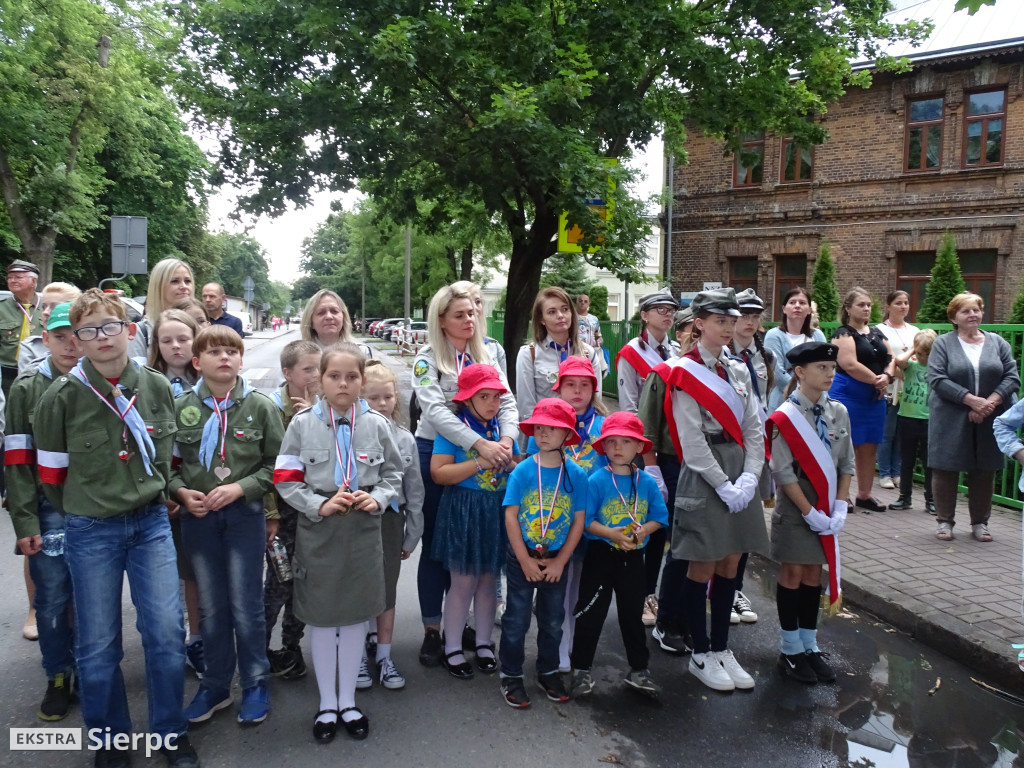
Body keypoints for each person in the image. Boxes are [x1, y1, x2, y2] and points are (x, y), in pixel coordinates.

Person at [34, 288, 198, 767]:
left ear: (128, 330)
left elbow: (167, 456)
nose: (101, 338)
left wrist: (167, 491)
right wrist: (91, 507)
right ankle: (111, 741)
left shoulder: (156, 387)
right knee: (98, 643)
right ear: (77, 341)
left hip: (150, 524)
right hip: (91, 530)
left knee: (167, 633)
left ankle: (170, 732)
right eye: (88, 331)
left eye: (110, 326)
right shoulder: (60, 398)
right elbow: (52, 477)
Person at [273, 343, 402, 743]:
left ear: (362, 381)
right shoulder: (301, 424)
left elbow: (394, 474)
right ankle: (327, 702)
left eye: (352, 377)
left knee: (352, 618)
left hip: (363, 533)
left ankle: (349, 701)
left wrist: (377, 497)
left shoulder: (378, 425)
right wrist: (317, 504)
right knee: (325, 621)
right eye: (334, 376)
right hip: (320, 533)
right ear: (320, 379)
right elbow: (286, 478)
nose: (343, 384)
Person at [171, 325, 283, 727]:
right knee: (212, 607)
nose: (224, 358)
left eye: (232, 351)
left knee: (247, 605)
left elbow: (279, 466)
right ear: (196, 361)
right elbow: (166, 467)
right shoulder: (180, 406)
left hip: (243, 518)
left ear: (241, 359)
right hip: (198, 518)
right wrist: (182, 492)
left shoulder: (260, 406)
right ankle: (216, 685)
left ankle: (254, 683)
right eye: (214, 352)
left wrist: (241, 487)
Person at [666, 288, 768, 693]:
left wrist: (749, 479)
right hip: (706, 474)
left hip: (740, 471)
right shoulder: (683, 371)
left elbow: (755, 429)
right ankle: (701, 652)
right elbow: (691, 441)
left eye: (731, 321)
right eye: (719, 321)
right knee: (703, 564)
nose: (727, 328)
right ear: (700, 324)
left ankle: (723, 647)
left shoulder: (740, 369)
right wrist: (724, 485)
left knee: (731, 562)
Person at [412, 284, 517, 667]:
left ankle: (472, 628)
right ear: (441, 320)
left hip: (492, 449)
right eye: (459, 315)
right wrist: (478, 445)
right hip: (439, 450)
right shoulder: (427, 358)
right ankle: (432, 629)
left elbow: (507, 401)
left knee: (482, 541)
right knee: (439, 543)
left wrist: (505, 439)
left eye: (472, 313)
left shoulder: (492, 351)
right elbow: (436, 412)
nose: (468, 320)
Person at [6, 302, 80, 721]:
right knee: (52, 599)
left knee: (91, 599)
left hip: (92, 508)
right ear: (46, 339)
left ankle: (90, 669)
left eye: (77, 334)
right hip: (48, 508)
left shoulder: (100, 381)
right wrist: (24, 521)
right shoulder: (27, 387)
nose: (70, 344)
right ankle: (57, 674)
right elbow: (17, 456)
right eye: (59, 336)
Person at [767, 342, 853, 685]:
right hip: (797, 506)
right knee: (792, 574)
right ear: (800, 372)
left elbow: (846, 463)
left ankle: (809, 644)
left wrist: (842, 504)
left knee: (813, 576)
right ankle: (790, 650)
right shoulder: (785, 416)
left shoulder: (839, 412)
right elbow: (783, 472)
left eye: (832, 368)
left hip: (828, 503)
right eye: (822, 368)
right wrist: (808, 511)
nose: (830, 374)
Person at [569, 411, 668, 699]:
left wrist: (641, 533)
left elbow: (658, 517)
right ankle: (581, 669)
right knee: (590, 613)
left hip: (633, 559)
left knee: (631, 616)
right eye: (611, 441)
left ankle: (639, 670)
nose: (618, 447)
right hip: (601, 554)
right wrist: (612, 534)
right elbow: (586, 521)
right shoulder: (596, 480)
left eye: (626, 441)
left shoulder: (647, 482)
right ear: (603, 446)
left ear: (639, 447)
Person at [499, 398, 587, 709]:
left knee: (552, 620)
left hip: (556, 558)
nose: (544, 433)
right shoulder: (523, 470)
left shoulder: (576, 475)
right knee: (517, 618)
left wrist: (562, 561)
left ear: (568, 435)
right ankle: (510, 674)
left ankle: (548, 671)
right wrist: (523, 559)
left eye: (553, 428)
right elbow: (510, 515)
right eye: (539, 427)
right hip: (521, 556)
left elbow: (579, 520)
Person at [431, 364, 517, 680]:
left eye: (496, 396)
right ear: (467, 399)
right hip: (464, 511)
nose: (493, 403)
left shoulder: (502, 430)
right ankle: (452, 645)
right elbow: (439, 473)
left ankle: (483, 643)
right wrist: (480, 462)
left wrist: (510, 462)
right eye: (485, 396)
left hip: (495, 511)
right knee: (463, 581)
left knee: (488, 580)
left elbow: (518, 465)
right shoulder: (454, 429)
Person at [525, 356, 608, 674]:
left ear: (594, 389)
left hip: (591, 523)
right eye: (570, 384)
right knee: (557, 588)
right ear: (557, 388)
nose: (578, 391)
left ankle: (572, 643)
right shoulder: (546, 425)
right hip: (556, 521)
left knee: (579, 587)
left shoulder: (601, 426)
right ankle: (556, 645)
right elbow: (533, 470)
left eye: (585, 385)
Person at [928, 293, 1018, 542]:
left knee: (984, 468)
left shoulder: (998, 342)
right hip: (950, 414)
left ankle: (980, 523)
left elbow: (1011, 376)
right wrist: (970, 400)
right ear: (954, 317)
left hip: (989, 414)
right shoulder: (943, 343)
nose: (973, 315)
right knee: (945, 467)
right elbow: (936, 378)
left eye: (976, 310)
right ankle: (945, 521)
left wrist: (988, 403)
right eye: (966, 311)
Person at [147, 309, 207, 682]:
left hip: (197, 493)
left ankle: (198, 638)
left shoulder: (212, 380)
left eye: (183, 339)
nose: (175, 346)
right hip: (158, 494)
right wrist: (166, 490)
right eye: (166, 340)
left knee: (194, 574)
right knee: (161, 578)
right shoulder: (148, 383)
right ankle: (166, 644)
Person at [359, 360, 423, 690]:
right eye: (373, 398)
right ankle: (357, 657)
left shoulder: (404, 439)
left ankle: (384, 655)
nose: (382, 404)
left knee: (386, 589)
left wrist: (412, 534)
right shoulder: (350, 435)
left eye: (387, 397)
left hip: (390, 521)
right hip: (355, 519)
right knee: (355, 588)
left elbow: (414, 491)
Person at [639, 306, 696, 655]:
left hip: (710, 469)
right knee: (678, 544)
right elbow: (647, 428)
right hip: (673, 465)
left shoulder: (721, 372)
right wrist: (654, 471)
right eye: (691, 330)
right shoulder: (665, 373)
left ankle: (686, 616)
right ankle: (667, 619)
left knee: (699, 547)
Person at [265, 339, 322, 681]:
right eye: (308, 369)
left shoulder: (327, 406)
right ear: (287, 374)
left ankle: (291, 645)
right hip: (283, 516)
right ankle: (258, 651)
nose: (316, 376)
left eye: (319, 368)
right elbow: (271, 466)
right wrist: (269, 514)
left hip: (314, 515)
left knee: (304, 584)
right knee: (279, 582)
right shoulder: (272, 408)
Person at [727, 287, 776, 625]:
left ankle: (736, 587)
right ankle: (719, 586)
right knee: (723, 518)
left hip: (755, 445)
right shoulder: (721, 354)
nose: (750, 322)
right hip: (728, 444)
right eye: (743, 315)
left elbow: (764, 401)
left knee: (747, 516)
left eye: (756, 316)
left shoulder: (765, 356)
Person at [829, 288, 897, 513]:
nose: (867, 308)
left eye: (869, 304)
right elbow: (849, 364)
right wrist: (877, 381)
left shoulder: (877, 332)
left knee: (869, 446)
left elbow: (890, 358)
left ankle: (865, 495)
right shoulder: (843, 333)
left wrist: (886, 376)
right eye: (861, 305)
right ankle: (842, 495)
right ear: (848, 308)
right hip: (849, 395)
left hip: (874, 398)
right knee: (844, 446)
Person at [516, 287, 602, 427]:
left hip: (582, 434)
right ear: (541, 319)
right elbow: (527, 407)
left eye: (565, 309)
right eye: (552, 312)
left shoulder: (588, 353)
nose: (560, 315)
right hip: (545, 433)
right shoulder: (529, 355)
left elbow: (596, 401)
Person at [875, 291, 920, 490]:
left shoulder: (914, 330)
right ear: (888, 306)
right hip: (891, 386)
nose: (903, 306)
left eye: (906, 303)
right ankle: (884, 472)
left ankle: (897, 472)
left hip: (910, 387)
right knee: (887, 431)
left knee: (902, 432)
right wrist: (898, 371)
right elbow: (883, 357)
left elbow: (920, 355)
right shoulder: (879, 330)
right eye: (898, 303)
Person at [888, 330, 937, 512]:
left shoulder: (937, 369)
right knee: (906, 460)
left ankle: (931, 500)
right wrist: (912, 350)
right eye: (920, 354)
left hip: (928, 420)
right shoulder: (911, 366)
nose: (923, 358)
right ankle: (904, 497)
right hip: (907, 418)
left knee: (928, 463)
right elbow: (898, 361)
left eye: (928, 354)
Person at [616, 290, 680, 414]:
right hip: (647, 429)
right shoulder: (631, 352)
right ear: (644, 316)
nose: (668, 314)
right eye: (661, 309)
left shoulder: (678, 351)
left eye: (671, 310)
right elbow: (628, 406)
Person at [763, 287, 827, 412]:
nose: (797, 306)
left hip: (816, 401)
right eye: (792, 302)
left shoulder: (818, 336)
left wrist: (816, 393)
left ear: (809, 310)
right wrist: (803, 394)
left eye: (802, 303)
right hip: (784, 401)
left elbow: (826, 366)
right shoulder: (774, 335)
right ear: (784, 309)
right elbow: (776, 371)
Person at [129, 257, 196, 358]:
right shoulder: (141, 332)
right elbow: (135, 373)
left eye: (187, 281)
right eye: (175, 281)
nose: (184, 286)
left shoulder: (199, 327)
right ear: (158, 286)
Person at [0, 259, 43, 395]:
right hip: (7, 375)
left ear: (33, 281)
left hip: (40, 372)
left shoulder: (48, 307)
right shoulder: (2, 307)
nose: (12, 280)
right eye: (10, 277)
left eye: (18, 277)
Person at [18, 282, 82, 373]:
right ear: (46, 338)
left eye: (55, 307)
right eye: (44, 307)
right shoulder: (31, 346)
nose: (45, 312)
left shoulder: (89, 342)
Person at [300, 289, 373, 358]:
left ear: (344, 317)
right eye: (321, 313)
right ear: (310, 321)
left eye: (334, 311)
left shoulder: (361, 352)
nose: (329, 316)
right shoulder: (299, 356)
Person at [575, 293, 606, 374]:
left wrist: (599, 341)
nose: (583, 303)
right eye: (580, 301)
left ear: (589, 304)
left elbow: (598, 335)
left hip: (591, 352)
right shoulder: (571, 317)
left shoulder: (594, 319)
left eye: (585, 301)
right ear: (577, 302)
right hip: (576, 352)